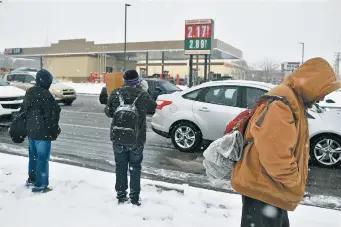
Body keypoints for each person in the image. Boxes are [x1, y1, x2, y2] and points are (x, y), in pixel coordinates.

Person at [231, 57, 340, 227]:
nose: (322, 97)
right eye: (323, 91)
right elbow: (275, 154)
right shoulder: (282, 103)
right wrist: (294, 181)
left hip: (271, 188)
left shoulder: (294, 100)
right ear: (313, 84)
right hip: (264, 189)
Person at [105, 70, 157, 206]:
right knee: (135, 166)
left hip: (118, 137)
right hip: (137, 138)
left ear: (124, 80)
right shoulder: (143, 95)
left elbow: (108, 113)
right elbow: (153, 108)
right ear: (138, 81)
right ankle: (134, 197)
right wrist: (146, 91)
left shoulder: (115, 93)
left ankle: (121, 196)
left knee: (120, 166)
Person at [21, 69, 61, 193]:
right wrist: (55, 130)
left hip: (31, 131)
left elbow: (24, 111)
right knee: (42, 159)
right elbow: (51, 117)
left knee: (33, 157)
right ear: (47, 82)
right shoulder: (46, 95)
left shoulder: (29, 93)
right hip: (43, 133)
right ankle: (40, 185)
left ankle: (31, 179)